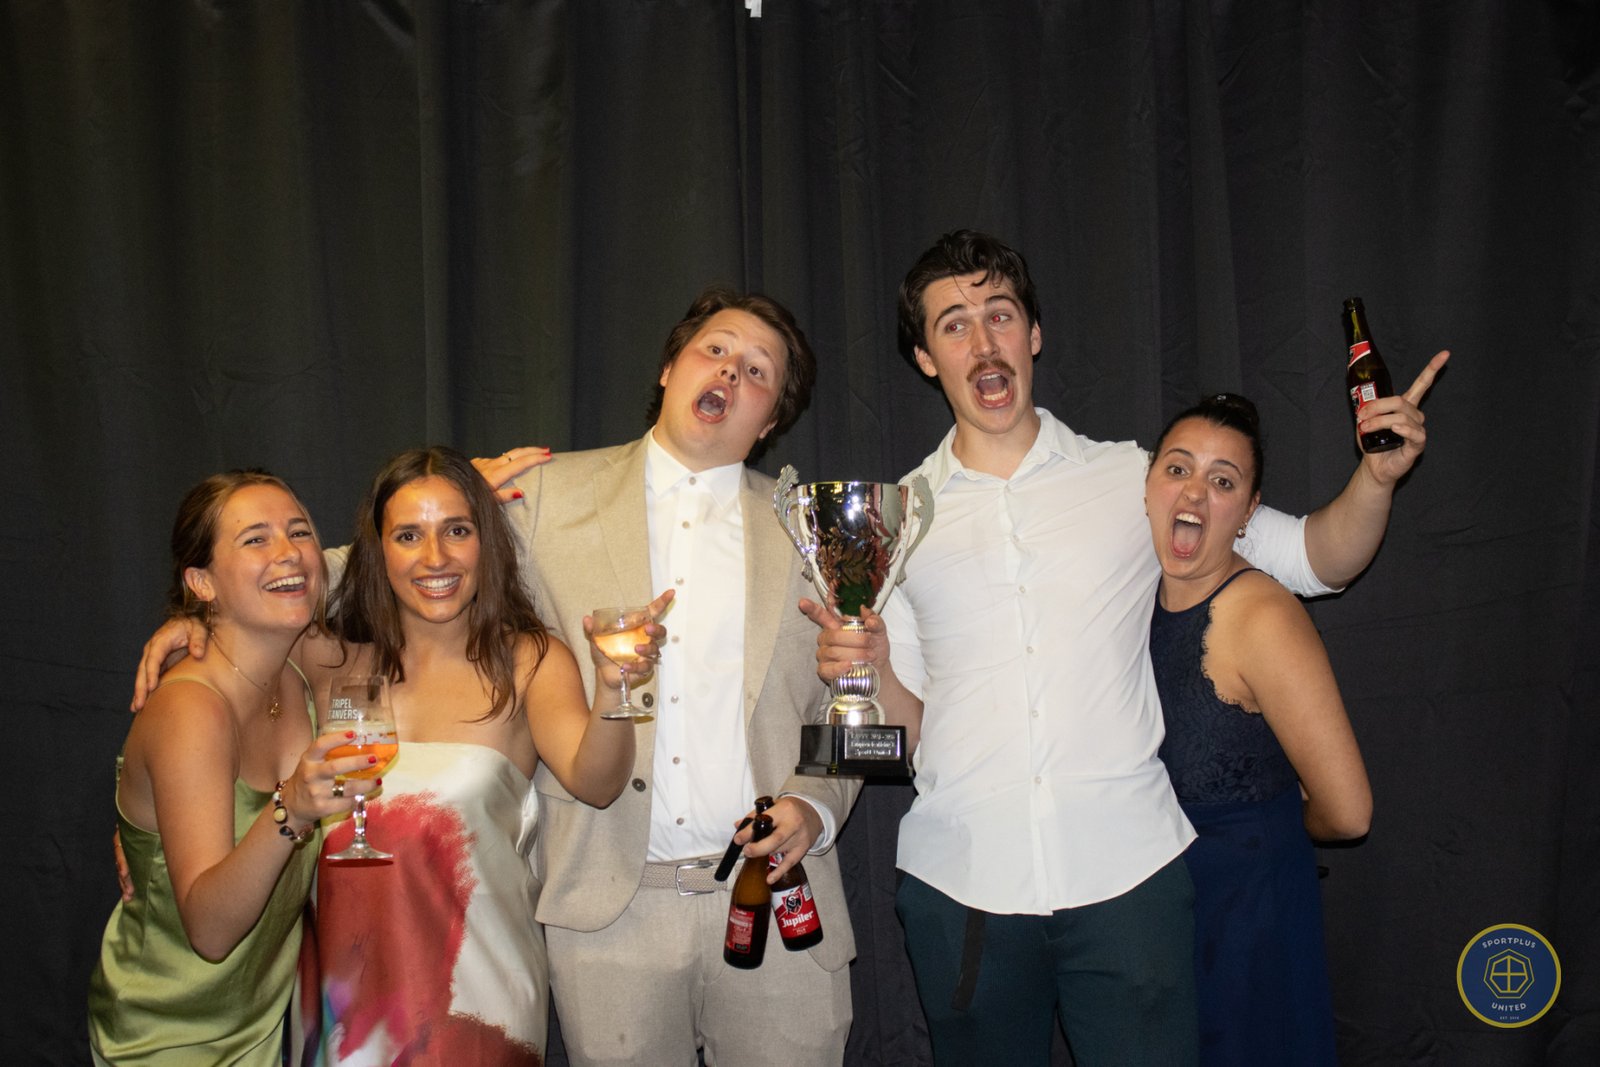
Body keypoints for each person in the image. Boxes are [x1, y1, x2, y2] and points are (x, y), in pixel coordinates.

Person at [806, 230, 1446, 1064]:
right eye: (954, 324)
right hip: (962, 887)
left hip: (1131, 883)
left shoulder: (1134, 478)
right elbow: (909, 727)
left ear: (1034, 334)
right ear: (927, 358)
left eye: (1001, 314)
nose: (984, 341)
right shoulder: (896, 519)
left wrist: (1377, 479)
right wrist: (870, 666)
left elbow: (1317, 559)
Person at [471, 286, 857, 1065]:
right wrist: (453, 501)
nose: (731, 370)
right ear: (668, 368)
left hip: (779, 902)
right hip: (608, 913)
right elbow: (393, 579)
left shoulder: (815, 529)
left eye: (758, 369)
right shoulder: (541, 497)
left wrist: (817, 804)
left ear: (770, 421)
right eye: (715, 349)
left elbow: (849, 700)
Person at [295, 446, 642, 1063]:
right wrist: (187, 625)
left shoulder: (528, 660)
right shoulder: (334, 664)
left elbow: (598, 782)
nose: (436, 557)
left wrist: (615, 688)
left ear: (487, 542)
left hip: (479, 1004)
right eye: (409, 535)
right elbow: (241, 619)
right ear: (377, 551)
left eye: (457, 530)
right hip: (345, 1008)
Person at [90, 471, 370, 1065]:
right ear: (201, 582)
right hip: (168, 1037)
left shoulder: (299, 664)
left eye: (299, 532)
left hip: (263, 1027)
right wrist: (291, 809)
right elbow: (210, 933)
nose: (288, 551)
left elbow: (414, 612)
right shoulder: (192, 709)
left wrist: (457, 493)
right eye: (255, 539)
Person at [1145, 393, 1371, 1065]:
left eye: (1222, 481)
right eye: (1178, 468)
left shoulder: (1261, 616)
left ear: (1248, 511)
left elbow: (1349, 811)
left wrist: (1274, 828)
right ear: (1148, 486)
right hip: (1161, 924)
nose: (1195, 492)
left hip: (1249, 926)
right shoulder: (1131, 595)